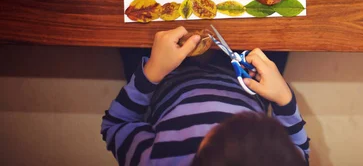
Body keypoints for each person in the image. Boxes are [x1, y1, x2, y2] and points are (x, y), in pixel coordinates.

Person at [101, 26, 309, 165]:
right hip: (248, 79)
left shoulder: (158, 160)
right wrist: (284, 99)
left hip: (166, 77)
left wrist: (152, 72)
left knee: (127, 22)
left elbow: (116, 124)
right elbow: (300, 150)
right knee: (283, 25)